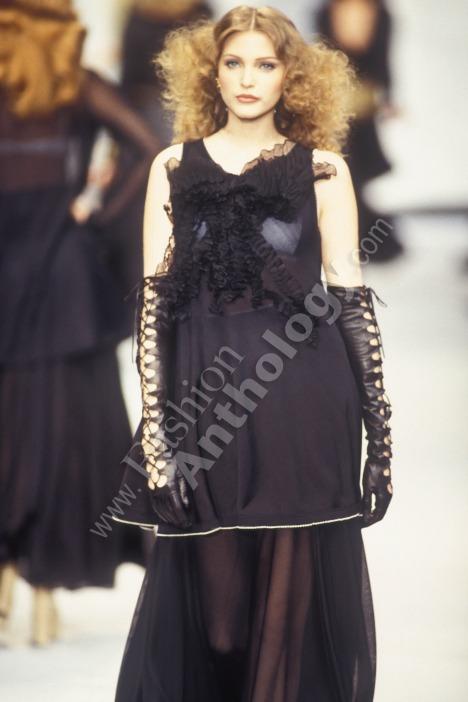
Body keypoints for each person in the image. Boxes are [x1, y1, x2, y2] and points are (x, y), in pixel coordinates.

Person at [112, 5, 394, 700]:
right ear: (210, 74)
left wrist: (380, 441)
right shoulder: (173, 167)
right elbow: (153, 306)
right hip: (204, 403)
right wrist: (157, 444)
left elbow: (350, 301)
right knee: (218, 628)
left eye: (264, 64)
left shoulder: (323, 171)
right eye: (233, 63)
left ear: (290, 77)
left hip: (303, 402)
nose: (247, 78)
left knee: (284, 627)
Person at [0, 0, 160, 647]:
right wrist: (96, 211)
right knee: (63, 424)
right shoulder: (78, 84)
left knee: (11, 420)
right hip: (62, 265)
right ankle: (44, 586)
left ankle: (9, 574)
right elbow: (149, 149)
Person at [315, 0, 405, 263]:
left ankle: (358, 243)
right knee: (346, 175)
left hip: (360, 110)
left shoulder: (377, 14)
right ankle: (356, 242)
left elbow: (381, 59)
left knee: (353, 177)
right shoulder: (330, 13)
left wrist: (386, 96)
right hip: (338, 107)